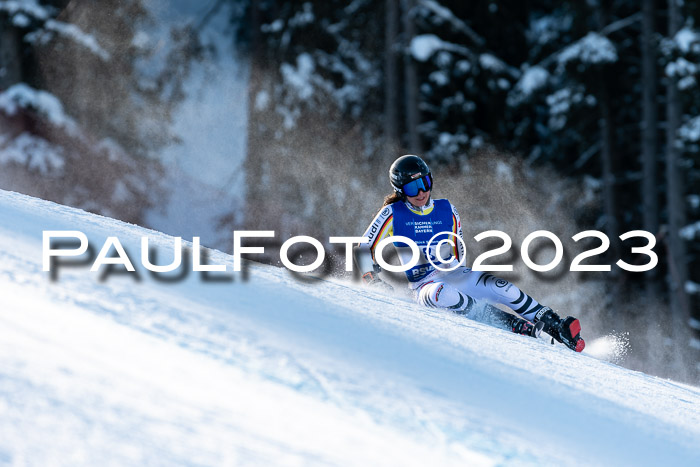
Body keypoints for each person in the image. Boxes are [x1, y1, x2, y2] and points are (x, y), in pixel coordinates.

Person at [354, 155, 585, 352]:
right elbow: (363, 245)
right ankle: (511, 324)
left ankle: (557, 325)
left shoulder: (447, 209)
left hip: (455, 274)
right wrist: (371, 279)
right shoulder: (393, 213)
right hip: (425, 286)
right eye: (412, 188)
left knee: (502, 287)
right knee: (444, 295)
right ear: (400, 190)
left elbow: (458, 250)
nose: (421, 192)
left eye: (425, 183)